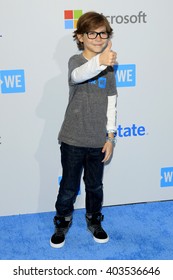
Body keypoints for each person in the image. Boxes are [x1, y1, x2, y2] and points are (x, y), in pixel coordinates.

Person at [50, 11, 118, 248]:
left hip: (98, 141)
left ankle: (94, 220)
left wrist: (110, 137)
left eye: (103, 33)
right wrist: (101, 61)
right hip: (72, 139)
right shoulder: (76, 62)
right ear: (80, 37)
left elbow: (112, 101)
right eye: (92, 32)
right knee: (69, 186)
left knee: (95, 186)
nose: (98, 37)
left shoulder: (108, 67)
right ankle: (62, 221)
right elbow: (79, 76)